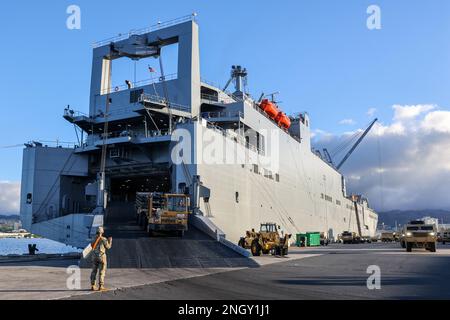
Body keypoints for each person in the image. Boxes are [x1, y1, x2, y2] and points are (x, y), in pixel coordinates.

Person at [90, 227, 112, 291]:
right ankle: (101, 286)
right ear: (102, 232)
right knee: (102, 271)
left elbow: (91, 246)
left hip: (94, 257)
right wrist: (110, 241)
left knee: (94, 271)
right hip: (101, 257)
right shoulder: (103, 239)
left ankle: (93, 285)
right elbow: (108, 247)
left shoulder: (93, 238)